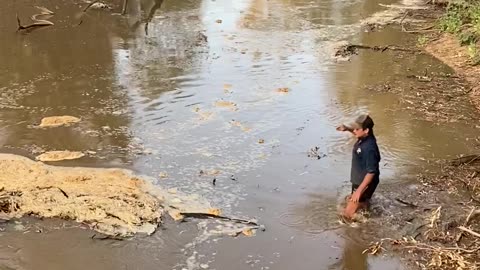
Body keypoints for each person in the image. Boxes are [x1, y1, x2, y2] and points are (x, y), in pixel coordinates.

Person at [336, 114, 381, 219]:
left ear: (366, 130)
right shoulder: (364, 138)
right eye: (354, 128)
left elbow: (371, 172)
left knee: (347, 215)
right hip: (359, 180)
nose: (354, 131)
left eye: (357, 129)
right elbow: (357, 132)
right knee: (357, 203)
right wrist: (347, 129)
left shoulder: (369, 148)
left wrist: (358, 191)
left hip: (364, 182)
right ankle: (365, 211)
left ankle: (360, 230)